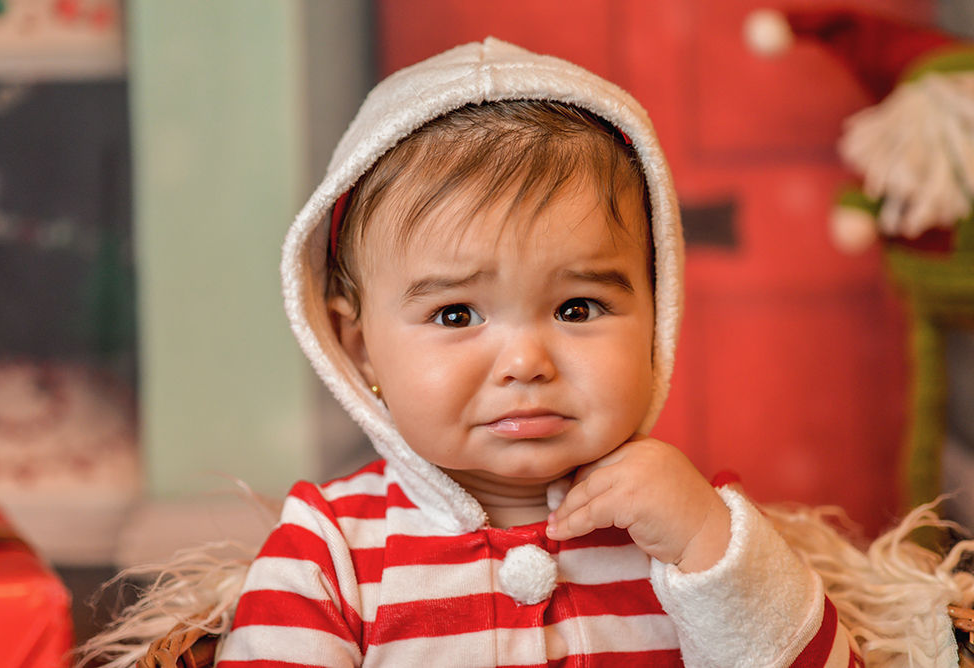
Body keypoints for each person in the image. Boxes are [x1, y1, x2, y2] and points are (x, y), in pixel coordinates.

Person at [216, 38, 857, 667]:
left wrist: (709, 549)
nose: (526, 363)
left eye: (577, 308)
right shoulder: (328, 551)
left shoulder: (692, 525)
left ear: (657, 316)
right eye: (456, 314)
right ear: (360, 350)